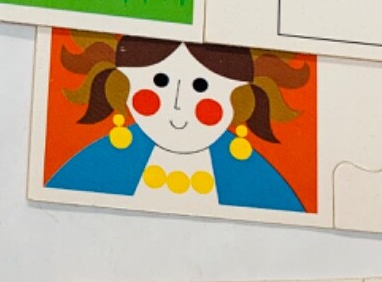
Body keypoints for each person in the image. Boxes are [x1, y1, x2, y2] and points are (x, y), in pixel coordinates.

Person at [47, 34, 310, 211]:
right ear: (122, 86)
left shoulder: (259, 181)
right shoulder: (95, 164)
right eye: (160, 81)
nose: (177, 104)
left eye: (201, 86)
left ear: (242, 100)